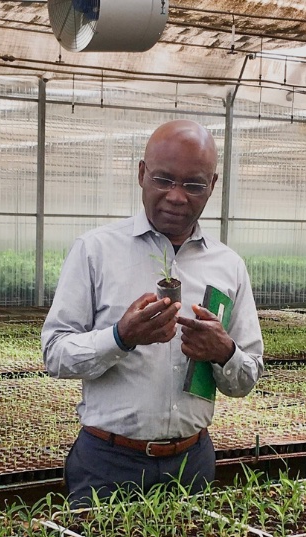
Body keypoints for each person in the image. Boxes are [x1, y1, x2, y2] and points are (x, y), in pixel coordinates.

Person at [42, 119, 264, 504]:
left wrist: (223, 352)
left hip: (192, 463)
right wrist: (120, 338)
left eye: (194, 184)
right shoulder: (95, 252)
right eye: (164, 179)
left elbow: (246, 378)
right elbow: (55, 354)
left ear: (212, 185)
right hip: (108, 463)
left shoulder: (229, 266)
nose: (177, 196)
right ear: (142, 174)